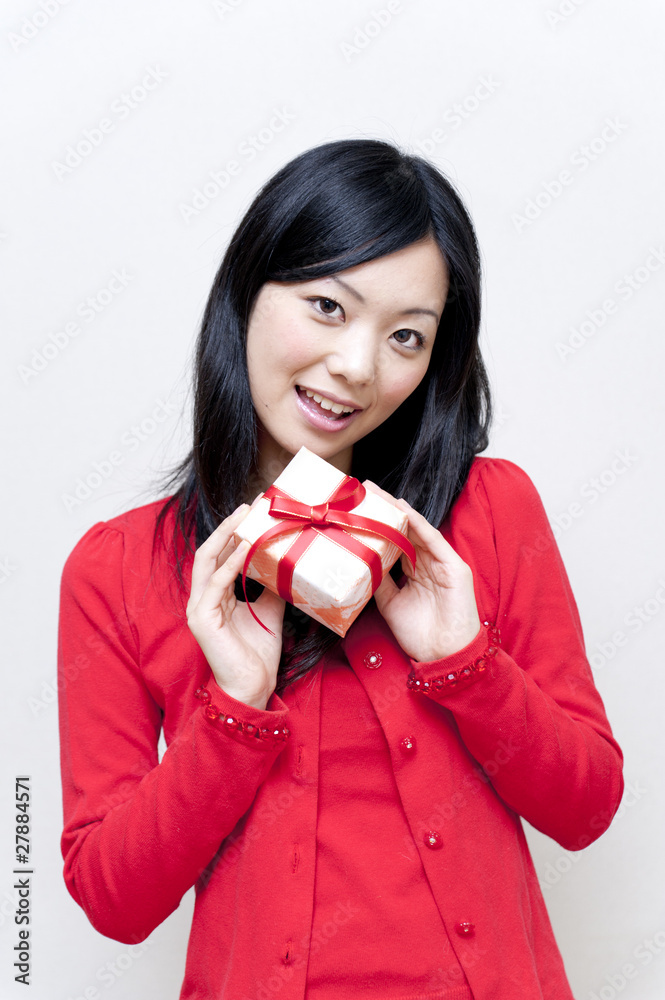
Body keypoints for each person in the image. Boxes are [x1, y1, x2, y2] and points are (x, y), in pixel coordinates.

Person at [57, 138, 623, 1000]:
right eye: (326, 306)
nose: (358, 367)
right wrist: (232, 713)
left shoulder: (490, 512)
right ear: (246, 293)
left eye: (406, 336)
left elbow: (584, 810)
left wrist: (466, 664)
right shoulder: (119, 568)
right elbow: (112, 898)